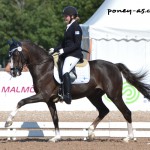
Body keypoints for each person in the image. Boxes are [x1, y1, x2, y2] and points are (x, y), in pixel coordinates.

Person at [49, 6, 83, 104]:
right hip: (67, 53)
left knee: (65, 70)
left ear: (72, 16)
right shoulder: (68, 27)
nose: (65, 17)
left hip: (74, 54)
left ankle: (67, 95)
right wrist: (55, 49)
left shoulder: (76, 27)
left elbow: (77, 45)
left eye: (66, 16)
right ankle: (59, 90)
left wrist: (64, 50)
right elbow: (64, 43)